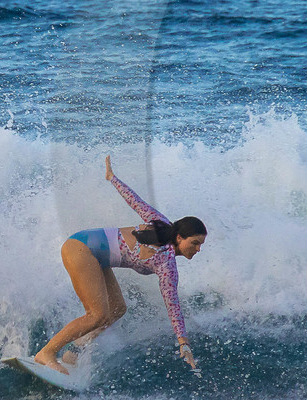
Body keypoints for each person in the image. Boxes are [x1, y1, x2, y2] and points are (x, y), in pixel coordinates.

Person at [32, 156, 207, 375]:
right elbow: (135, 201)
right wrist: (112, 178)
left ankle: (73, 351)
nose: (198, 249)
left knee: (116, 309)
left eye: (201, 244)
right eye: (195, 243)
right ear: (180, 237)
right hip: (80, 248)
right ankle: (46, 353)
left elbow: (173, 304)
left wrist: (184, 343)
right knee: (96, 314)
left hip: (96, 256)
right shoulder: (162, 239)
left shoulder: (167, 262)